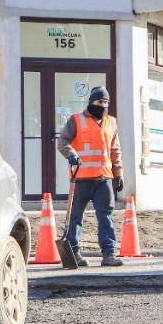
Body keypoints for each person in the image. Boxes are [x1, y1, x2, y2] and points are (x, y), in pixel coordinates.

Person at [56, 86, 124, 268]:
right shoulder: (76, 120)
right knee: (76, 216)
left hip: (104, 180)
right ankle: (74, 253)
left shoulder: (111, 122)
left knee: (106, 217)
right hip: (82, 178)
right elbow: (62, 142)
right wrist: (70, 154)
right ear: (91, 102)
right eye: (99, 102)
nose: (102, 105)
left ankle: (109, 254)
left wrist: (119, 174)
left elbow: (115, 150)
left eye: (105, 102)